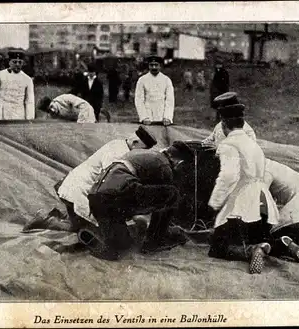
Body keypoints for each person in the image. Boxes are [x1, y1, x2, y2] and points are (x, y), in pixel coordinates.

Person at [22, 126, 158, 233]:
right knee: (90, 229)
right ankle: (46, 220)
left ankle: (62, 216)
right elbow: (109, 182)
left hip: (79, 186)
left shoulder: (120, 144)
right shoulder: (117, 153)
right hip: (78, 190)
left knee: (90, 222)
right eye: (142, 150)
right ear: (135, 143)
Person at [206, 99, 284, 274]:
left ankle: (251, 251)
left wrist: (215, 203)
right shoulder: (253, 143)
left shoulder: (228, 145)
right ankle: (283, 244)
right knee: (257, 235)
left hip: (243, 204)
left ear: (224, 124)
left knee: (217, 246)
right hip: (263, 202)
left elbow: (228, 176)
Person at [85, 141, 194, 260]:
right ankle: (155, 240)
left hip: (96, 198)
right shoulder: (163, 164)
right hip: (115, 196)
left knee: (123, 245)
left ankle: (107, 242)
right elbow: (162, 198)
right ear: (178, 161)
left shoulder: (145, 155)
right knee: (172, 193)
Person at [0, 49, 35, 122]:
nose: (17, 64)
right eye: (14, 62)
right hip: (2, 115)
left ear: (23, 63)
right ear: (9, 62)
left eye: (20, 62)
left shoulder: (27, 79)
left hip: (19, 116)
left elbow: (29, 101)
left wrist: (29, 120)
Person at [134, 55, 175, 126]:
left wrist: (167, 117)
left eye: (156, 65)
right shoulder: (142, 80)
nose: (154, 67)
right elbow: (139, 99)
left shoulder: (166, 80)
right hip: (148, 113)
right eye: (151, 65)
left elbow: (170, 100)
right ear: (148, 66)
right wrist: (144, 117)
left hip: (162, 114)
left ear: (160, 66)